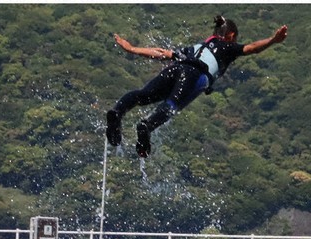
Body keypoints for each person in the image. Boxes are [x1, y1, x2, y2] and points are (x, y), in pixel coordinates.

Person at [106, 15, 288, 157]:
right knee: (171, 106)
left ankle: (117, 112)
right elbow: (252, 48)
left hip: (176, 67)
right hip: (194, 75)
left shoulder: (195, 48)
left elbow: (162, 53)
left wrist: (132, 49)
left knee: (143, 95)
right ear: (231, 36)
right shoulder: (228, 47)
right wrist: (273, 40)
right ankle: (146, 126)